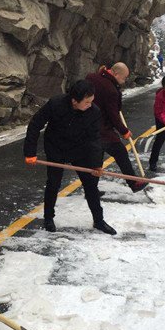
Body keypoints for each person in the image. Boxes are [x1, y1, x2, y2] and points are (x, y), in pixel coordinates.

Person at [23, 80, 116, 235]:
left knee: (91, 185)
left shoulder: (94, 112)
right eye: (86, 102)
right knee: (53, 183)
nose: (90, 105)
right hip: (56, 147)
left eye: (91, 101)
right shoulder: (56, 104)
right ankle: (48, 217)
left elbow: (94, 139)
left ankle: (99, 220)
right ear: (74, 100)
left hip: (80, 149)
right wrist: (30, 152)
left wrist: (96, 165)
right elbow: (35, 124)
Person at [85, 63, 147, 193]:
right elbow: (113, 114)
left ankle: (91, 190)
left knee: (97, 159)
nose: (124, 81)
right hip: (102, 129)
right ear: (116, 74)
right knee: (120, 152)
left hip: (87, 125)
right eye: (124, 78)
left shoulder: (92, 77)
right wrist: (124, 131)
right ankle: (133, 183)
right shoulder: (111, 90)